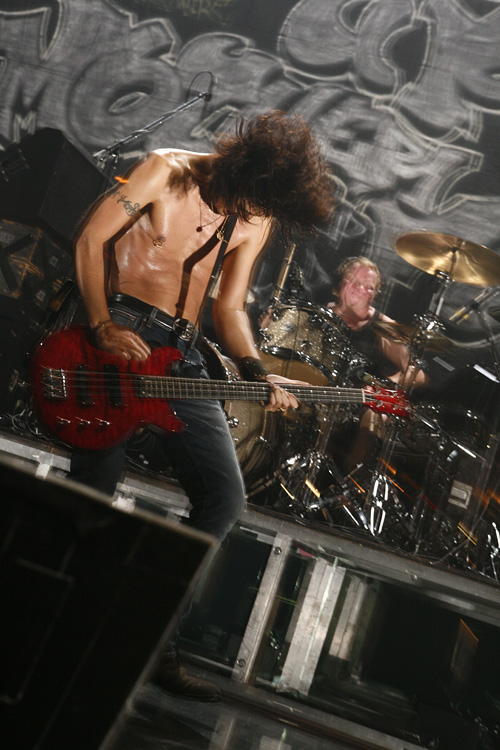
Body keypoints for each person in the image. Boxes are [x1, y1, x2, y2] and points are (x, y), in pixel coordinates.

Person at [68, 111, 335, 699]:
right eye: (245, 197)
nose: (245, 211)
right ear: (239, 166)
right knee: (96, 485)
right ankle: (65, 629)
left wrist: (257, 370)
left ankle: (150, 634)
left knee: (225, 497)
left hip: (182, 358)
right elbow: (90, 239)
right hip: (120, 336)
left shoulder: (257, 215)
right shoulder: (165, 171)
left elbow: (230, 307)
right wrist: (102, 325)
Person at [327, 256, 427, 470]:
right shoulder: (322, 314)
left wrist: (381, 386)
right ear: (341, 281)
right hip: (321, 390)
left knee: (374, 416)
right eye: (355, 281)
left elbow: (417, 374)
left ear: (374, 295)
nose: (360, 289)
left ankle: (346, 481)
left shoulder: (382, 326)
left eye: (369, 287)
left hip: (357, 403)